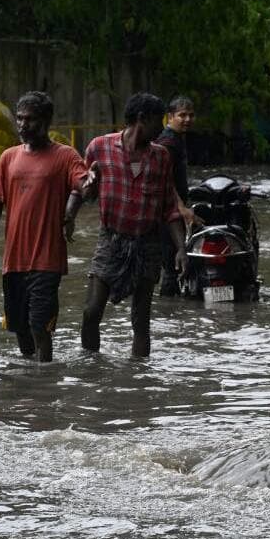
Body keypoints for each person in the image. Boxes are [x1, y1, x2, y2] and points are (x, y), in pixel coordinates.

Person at [80, 92, 195, 357]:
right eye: (159, 121)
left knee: (141, 320)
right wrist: (72, 211)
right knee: (91, 311)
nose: (162, 127)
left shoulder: (161, 156)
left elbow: (169, 207)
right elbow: (83, 189)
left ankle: (139, 378)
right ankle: (90, 367)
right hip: (111, 239)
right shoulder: (99, 147)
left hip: (148, 242)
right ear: (142, 120)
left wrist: (181, 248)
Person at [0, 91, 87, 363]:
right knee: (19, 328)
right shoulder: (8, 157)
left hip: (47, 258)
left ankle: (45, 381)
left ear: (47, 120)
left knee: (39, 325)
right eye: (20, 118)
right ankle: (30, 381)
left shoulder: (65, 156)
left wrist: (75, 205)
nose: (24, 125)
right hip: (14, 260)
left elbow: (82, 185)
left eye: (31, 119)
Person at [154, 95, 195, 297]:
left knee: (174, 263)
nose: (187, 120)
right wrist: (181, 208)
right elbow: (165, 179)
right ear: (170, 117)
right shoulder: (168, 142)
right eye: (182, 115)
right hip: (167, 213)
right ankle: (166, 309)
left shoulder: (177, 139)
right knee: (172, 265)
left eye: (191, 115)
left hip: (171, 210)